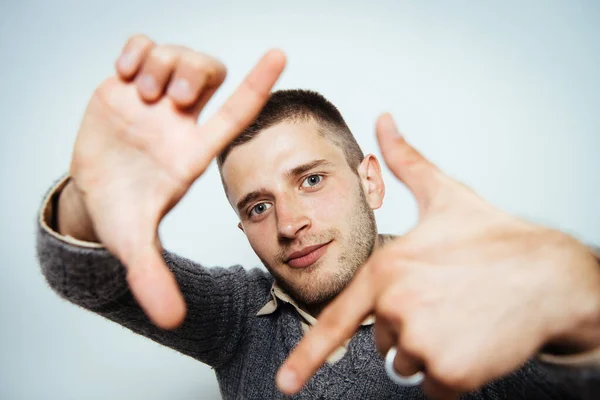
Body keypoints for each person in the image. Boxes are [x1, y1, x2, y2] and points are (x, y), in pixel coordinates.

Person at [36, 35, 600, 399]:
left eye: (310, 179)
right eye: (258, 206)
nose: (288, 224)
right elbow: (96, 276)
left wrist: (580, 297)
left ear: (370, 181)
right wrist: (91, 199)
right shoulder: (237, 317)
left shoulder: (470, 301)